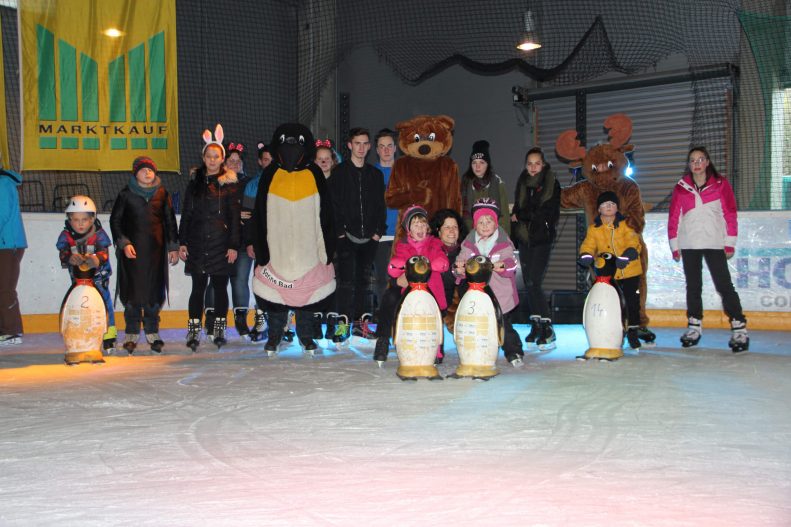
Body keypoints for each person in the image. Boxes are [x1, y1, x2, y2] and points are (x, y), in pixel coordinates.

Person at [668, 146, 749, 353]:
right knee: (693, 286)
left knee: (724, 285)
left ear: (707, 162)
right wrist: (675, 245)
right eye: (693, 160)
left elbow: (730, 213)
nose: (697, 164)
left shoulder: (721, 184)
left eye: (700, 159)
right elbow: (674, 217)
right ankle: (694, 326)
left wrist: (729, 242)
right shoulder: (681, 187)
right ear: (689, 165)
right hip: (690, 244)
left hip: (714, 243)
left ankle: (739, 327)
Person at [178, 125, 241, 349]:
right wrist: (182, 241)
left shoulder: (230, 185)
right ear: (203, 157)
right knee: (198, 288)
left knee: (220, 287)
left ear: (222, 158)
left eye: (216, 156)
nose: (212, 160)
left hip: (221, 244)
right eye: (209, 156)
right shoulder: (194, 185)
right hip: (197, 243)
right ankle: (194, 330)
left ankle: (219, 329)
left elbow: (234, 218)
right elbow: (186, 213)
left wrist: (234, 245)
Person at [110, 156, 179, 353]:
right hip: (132, 254)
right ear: (135, 173)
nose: (148, 173)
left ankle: (152, 332)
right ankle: (131, 333)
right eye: (143, 170)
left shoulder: (162, 194)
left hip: (155, 253)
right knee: (132, 292)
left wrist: (173, 246)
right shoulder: (126, 194)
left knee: (152, 292)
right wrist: (123, 243)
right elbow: (115, 221)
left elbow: (170, 222)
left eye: (151, 170)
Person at [327, 127, 387, 343]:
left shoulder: (376, 175)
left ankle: (361, 325)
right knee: (346, 282)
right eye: (357, 143)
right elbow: (333, 206)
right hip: (346, 239)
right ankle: (342, 326)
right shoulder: (339, 173)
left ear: (369, 146)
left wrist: (378, 232)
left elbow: (380, 206)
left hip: (369, 239)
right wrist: (341, 233)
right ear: (350, 145)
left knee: (364, 282)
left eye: (365, 143)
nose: (361, 148)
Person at [373, 205, 449, 363]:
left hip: (430, 292)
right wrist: (401, 272)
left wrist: (423, 268)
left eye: (423, 224)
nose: (420, 228)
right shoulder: (403, 246)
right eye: (415, 224)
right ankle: (382, 340)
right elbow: (394, 266)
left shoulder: (434, 244)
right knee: (390, 297)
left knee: (432, 308)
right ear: (409, 229)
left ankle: (437, 345)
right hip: (409, 292)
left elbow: (442, 262)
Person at [454, 198, 523, 367]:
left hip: (500, 293)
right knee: (478, 323)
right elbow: (458, 263)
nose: (485, 225)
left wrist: (503, 266)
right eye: (481, 222)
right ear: (475, 224)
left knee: (503, 323)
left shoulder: (503, 243)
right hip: (477, 294)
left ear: (496, 223)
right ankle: (478, 349)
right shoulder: (468, 244)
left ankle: (513, 351)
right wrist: (458, 269)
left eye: (489, 221)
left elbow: (512, 263)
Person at [578, 191, 643, 349]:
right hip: (607, 273)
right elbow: (589, 244)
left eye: (612, 204)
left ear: (617, 208)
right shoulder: (594, 229)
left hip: (629, 270)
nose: (609, 207)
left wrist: (628, 255)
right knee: (612, 304)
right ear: (599, 209)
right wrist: (585, 255)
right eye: (605, 204)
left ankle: (633, 331)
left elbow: (633, 242)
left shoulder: (626, 225)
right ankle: (614, 331)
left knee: (631, 302)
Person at [510, 147, 561, 350]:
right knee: (529, 282)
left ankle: (547, 327)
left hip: (542, 238)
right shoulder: (523, 182)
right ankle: (536, 324)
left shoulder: (551, 184)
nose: (533, 167)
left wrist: (522, 215)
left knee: (535, 280)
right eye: (529, 163)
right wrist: (519, 219)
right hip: (524, 238)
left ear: (544, 164)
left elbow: (545, 212)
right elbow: (516, 211)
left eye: (537, 163)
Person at [205, 141, 254, 340]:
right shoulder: (216, 182)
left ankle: (241, 322)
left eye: (238, 161)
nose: (234, 164)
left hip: (242, 242)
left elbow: (252, 210)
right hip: (219, 241)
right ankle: (212, 322)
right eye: (231, 160)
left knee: (240, 281)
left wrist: (248, 213)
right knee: (216, 281)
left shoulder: (249, 183)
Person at [56, 195, 116, 352]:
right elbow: (63, 253)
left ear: (92, 219)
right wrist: (69, 257)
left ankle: (109, 334)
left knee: (104, 302)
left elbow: (104, 253)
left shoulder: (99, 234)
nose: (80, 224)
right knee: (79, 305)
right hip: (78, 280)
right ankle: (81, 329)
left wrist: (97, 259)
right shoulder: (66, 236)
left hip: (98, 278)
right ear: (69, 220)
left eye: (84, 219)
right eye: (76, 220)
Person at [241, 142, 274, 342]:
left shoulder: (287, 182)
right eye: (265, 160)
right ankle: (261, 319)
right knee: (261, 282)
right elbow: (247, 216)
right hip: (261, 243)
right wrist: (251, 242)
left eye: (273, 160)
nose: (269, 163)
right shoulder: (253, 185)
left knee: (285, 282)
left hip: (283, 244)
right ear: (260, 162)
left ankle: (284, 321)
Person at [0, 157, 27, 345]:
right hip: (5, 244)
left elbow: (2, 214)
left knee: (5, 288)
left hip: (8, 244)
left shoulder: (3, 183)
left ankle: (12, 331)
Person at [372, 128, 400, 309]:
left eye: (389, 146)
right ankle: (384, 317)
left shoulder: (405, 172)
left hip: (401, 236)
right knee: (381, 279)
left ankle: (399, 315)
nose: (386, 150)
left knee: (401, 279)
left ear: (396, 148)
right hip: (379, 236)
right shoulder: (370, 173)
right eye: (382, 147)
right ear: (376, 150)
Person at [460, 140, 511, 236]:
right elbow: (464, 214)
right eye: (474, 163)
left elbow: (504, 215)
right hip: (472, 235)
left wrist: (503, 237)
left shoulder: (497, 183)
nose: (477, 166)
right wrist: (474, 233)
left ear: (488, 164)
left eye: (482, 162)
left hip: (495, 234)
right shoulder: (465, 184)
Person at [429, 208, 466, 333]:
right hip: (437, 299)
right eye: (447, 227)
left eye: (455, 227)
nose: (451, 231)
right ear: (438, 231)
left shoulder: (466, 251)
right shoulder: (431, 249)